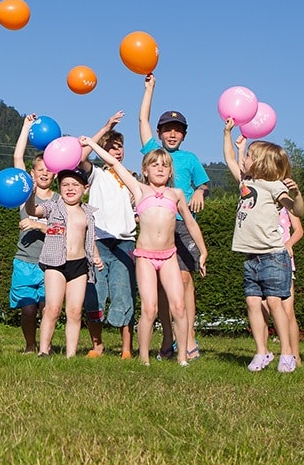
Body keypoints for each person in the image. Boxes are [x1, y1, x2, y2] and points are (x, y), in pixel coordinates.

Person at [84, 137, 207, 366]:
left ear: (170, 171)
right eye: (154, 165)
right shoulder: (139, 189)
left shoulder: (177, 194)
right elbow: (114, 163)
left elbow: (190, 223)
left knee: (179, 307)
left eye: (164, 165)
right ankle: (143, 359)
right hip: (145, 258)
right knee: (149, 308)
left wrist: (203, 251)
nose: (160, 168)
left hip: (169, 255)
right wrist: (92, 144)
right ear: (145, 170)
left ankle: (182, 358)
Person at [223, 119, 303, 373]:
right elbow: (230, 160)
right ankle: (262, 352)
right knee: (252, 303)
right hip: (252, 257)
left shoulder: (275, 186)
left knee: (275, 302)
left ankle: (287, 354)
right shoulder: (246, 184)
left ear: (261, 162)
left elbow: (297, 210)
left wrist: (297, 194)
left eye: (249, 155)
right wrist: (227, 133)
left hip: (273, 256)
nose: (244, 158)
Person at [139, 73, 209, 361]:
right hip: (158, 228)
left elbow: (202, 183)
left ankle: (188, 338)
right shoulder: (152, 152)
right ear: (159, 132)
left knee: (184, 281)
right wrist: (150, 88)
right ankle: (168, 339)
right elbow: (142, 121)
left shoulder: (190, 158)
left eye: (177, 130)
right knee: (162, 290)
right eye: (167, 129)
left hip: (182, 226)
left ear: (184, 134)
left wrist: (201, 192)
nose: (172, 134)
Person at [25, 169, 103, 358]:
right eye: (65, 184)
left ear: (85, 189)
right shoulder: (53, 206)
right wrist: (32, 194)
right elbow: (32, 210)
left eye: (75, 184)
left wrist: (96, 256)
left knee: (75, 311)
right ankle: (43, 351)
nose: (70, 188)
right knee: (52, 309)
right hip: (55, 264)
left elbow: (89, 238)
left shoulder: (87, 213)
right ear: (59, 188)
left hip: (80, 266)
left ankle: (71, 355)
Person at [78, 111, 138, 359]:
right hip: (99, 242)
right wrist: (104, 128)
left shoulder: (131, 177)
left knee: (125, 293)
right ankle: (97, 345)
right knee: (96, 293)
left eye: (120, 147)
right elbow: (80, 156)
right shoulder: (96, 175)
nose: (117, 151)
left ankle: (126, 349)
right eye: (112, 148)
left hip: (125, 242)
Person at [10, 115, 57, 353]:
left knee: (46, 308)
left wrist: (38, 226)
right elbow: (17, 156)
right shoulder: (24, 193)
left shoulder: (60, 201)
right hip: (25, 261)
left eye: (49, 170)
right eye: (40, 170)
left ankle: (45, 347)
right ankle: (30, 345)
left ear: (55, 174)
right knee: (28, 309)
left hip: (49, 263)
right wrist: (26, 127)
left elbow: (62, 232)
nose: (45, 173)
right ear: (32, 172)